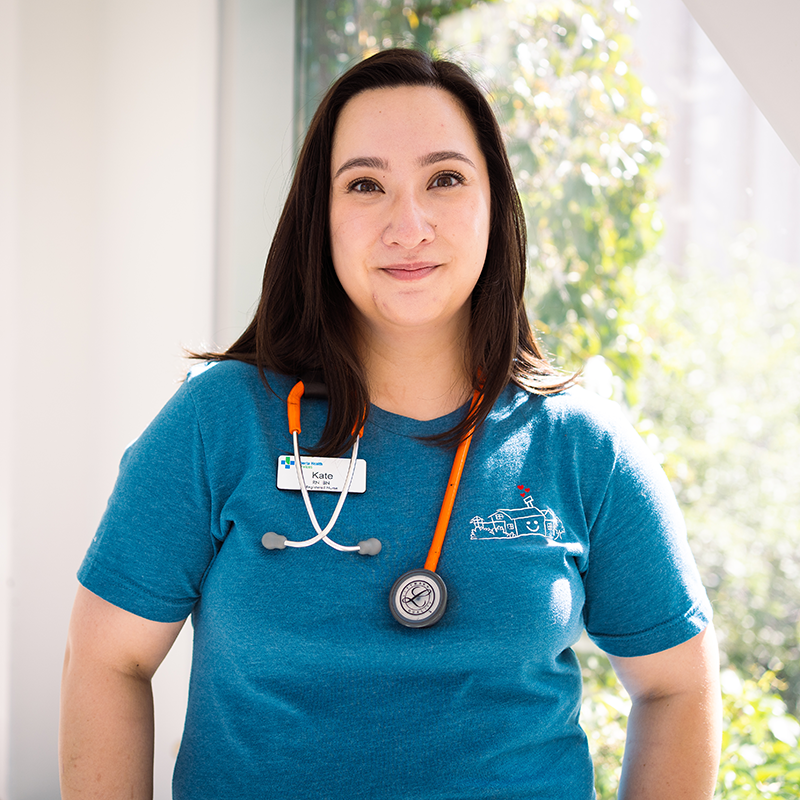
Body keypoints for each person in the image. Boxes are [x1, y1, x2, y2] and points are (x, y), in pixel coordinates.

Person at [59, 47, 721, 799]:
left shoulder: (583, 448)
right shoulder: (220, 423)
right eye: (366, 184)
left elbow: (677, 685)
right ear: (323, 217)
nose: (409, 225)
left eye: (444, 179)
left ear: (495, 205)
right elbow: (108, 659)